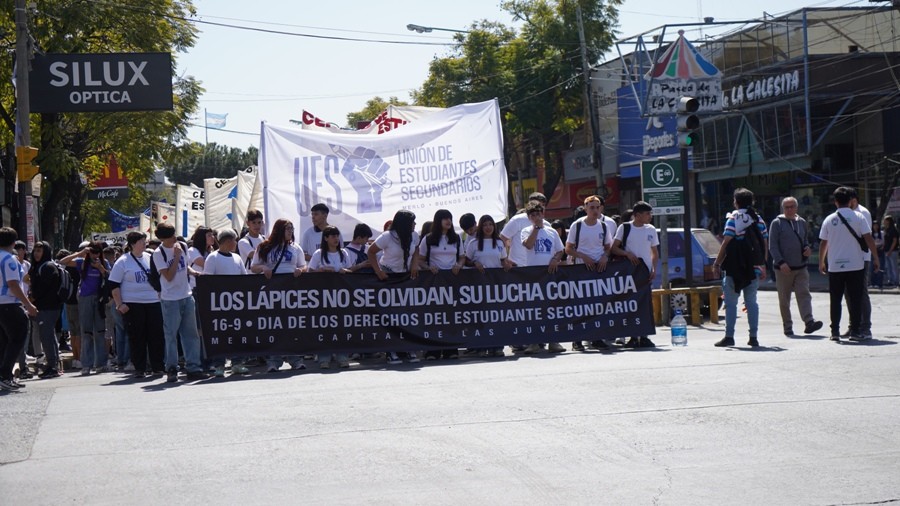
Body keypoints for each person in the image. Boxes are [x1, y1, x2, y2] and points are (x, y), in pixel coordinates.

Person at [819, 187, 880, 342]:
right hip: (856, 265)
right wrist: (876, 258)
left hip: (835, 266)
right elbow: (869, 239)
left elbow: (823, 243)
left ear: (836, 202)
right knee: (856, 298)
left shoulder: (829, 219)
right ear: (850, 200)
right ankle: (855, 331)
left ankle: (835, 332)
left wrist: (821, 262)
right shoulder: (859, 217)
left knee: (836, 299)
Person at [712, 188, 768, 348]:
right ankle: (754, 337)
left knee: (731, 303)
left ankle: (729, 336)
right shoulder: (758, 219)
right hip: (754, 267)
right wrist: (763, 264)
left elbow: (726, 242)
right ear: (752, 202)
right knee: (751, 302)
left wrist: (717, 263)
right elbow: (764, 243)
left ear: (736, 202)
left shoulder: (733, 218)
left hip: (734, 268)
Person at [152, 223, 208, 382]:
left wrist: (195, 273)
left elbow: (185, 267)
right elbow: (168, 276)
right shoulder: (159, 253)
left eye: (174, 234)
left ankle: (194, 367)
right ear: (163, 238)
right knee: (171, 335)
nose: (174, 238)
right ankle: (171, 368)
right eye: (170, 236)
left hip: (186, 295)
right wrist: (175, 256)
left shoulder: (182, 245)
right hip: (170, 299)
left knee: (191, 334)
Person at [251, 219, 307, 373]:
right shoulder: (264, 247)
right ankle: (273, 360)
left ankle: (295, 359)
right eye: (287, 228)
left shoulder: (295, 247)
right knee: (274, 325)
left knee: (291, 325)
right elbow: (253, 267)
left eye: (291, 228)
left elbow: (303, 265)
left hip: (291, 291)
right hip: (272, 291)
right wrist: (263, 267)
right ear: (279, 230)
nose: (290, 231)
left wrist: (300, 270)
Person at [108, 232, 165, 378]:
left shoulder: (149, 258)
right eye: (141, 241)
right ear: (133, 244)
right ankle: (139, 367)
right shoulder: (123, 261)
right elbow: (114, 284)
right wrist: (120, 304)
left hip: (153, 302)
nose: (144, 244)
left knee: (156, 336)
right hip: (133, 304)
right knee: (137, 337)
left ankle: (157, 366)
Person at [367, 210, 421, 365]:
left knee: (406, 315)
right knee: (390, 316)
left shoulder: (414, 235)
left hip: (405, 276)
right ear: (404, 223)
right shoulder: (387, 237)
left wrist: (415, 264)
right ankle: (391, 350)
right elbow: (371, 252)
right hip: (388, 277)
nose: (415, 224)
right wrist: (378, 272)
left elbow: (416, 249)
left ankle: (407, 348)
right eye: (412, 222)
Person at [565, 195, 617, 351]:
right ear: (585, 208)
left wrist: (604, 257)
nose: (595, 210)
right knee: (580, 305)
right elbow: (568, 248)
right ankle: (577, 339)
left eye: (597, 207)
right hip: (581, 268)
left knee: (597, 305)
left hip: (598, 270)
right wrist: (583, 257)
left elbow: (608, 247)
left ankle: (596, 337)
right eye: (592, 207)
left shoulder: (603, 226)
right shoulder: (577, 225)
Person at [768, 197, 823, 337]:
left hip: (801, 267)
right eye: (786, 207)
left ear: (797, 208)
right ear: (783, 209)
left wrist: (807, 248)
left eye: (792, 206)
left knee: (804, 294)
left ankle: (809, 321)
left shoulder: (802, 222)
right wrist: (781, 262)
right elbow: (772, 246)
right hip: (783, 269)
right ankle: (787, 326)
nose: (790, 209)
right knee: (784, 299)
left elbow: (805, 240)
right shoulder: (777, 223)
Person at [610, 201, 660, 348]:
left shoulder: (650, 229)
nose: (650, 217)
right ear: (637, 215)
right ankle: (632, 335)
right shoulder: (625, 228)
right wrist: (627, 254)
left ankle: (644, 336)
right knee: (630, 304)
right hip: (629, 272)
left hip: (645, 272)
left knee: (645, 304)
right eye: (647, 214)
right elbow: (614, 248)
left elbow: (654, 252)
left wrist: (653, 269)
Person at [418, 209, 465, 360]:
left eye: (450, 218)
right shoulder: (428, 238)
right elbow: (420, 259)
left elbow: (462, 257)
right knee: (436, 316)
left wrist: (458, 265)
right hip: (434, 282)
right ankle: (433, 350)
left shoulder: (456, 238)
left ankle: (451, 349)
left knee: (452, 315)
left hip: (452, 281)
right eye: (444, 218)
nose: (448, 221)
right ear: (438, 221)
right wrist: (427, 267)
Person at [202, 229, 250, 376]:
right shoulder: (213, 258)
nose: (236, 243)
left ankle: (237, 363)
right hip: (219, 305)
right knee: (220, 336)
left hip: (237, 304)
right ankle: (219, 365)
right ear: (228, 241)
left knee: (237, 333)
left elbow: (245, 278)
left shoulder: (237, 258)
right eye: (234, 240)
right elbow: (207, 281)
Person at [520, 201, 565, 354]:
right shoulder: (526, 230)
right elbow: (529, 245)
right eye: (533, 215)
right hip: (533, 275)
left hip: (549, 274)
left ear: (543, 214)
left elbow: (560, 250)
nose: (536, 217)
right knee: (535, 310)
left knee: (551, 308)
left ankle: (554, 341)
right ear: (529, 217)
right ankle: (534, 342)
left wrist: (555, 259)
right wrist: (536, 228)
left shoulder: (552, 232)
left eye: (538, 214)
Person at [60, 241, 110, 375]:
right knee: (86, 332)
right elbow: (62, 262)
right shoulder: (82, 262)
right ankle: (86, 364)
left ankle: (101, 363)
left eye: (97, 252)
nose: (95, 255)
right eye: (92, 252)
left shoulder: (104, 263)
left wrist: (101, 268)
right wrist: (81, 253)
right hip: (84, 298)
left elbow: (110, 278)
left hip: (99, 299)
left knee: (100, 331)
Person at [466, 214, 511, 357]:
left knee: (496, 316)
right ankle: (481, 345)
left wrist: (506, 264)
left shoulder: (499, 242)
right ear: (480, 226)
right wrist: (474, 263)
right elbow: (466, 261)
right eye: (485, 225)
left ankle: (497, 346)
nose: (488, 227)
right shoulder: (473, 243)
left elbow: (503, 259)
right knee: (481, 316)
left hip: (495, 284)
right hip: (479, 284)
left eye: (490, 224)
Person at [308, 226, 353, 369]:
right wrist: (321, 270)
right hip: (323, 295)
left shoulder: (344, 253)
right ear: (326, 238)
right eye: (332, 236)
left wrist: (343, 271)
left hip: (341, 296)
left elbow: (351, 271)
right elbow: (309, 271)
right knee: (325, 326)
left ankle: (342, 356)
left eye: (337, 236)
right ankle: (324, 357)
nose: (336, 239)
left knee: (341, 326)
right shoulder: (319, 254)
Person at [0, 228, 37, 391]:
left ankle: (3, 375)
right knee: (17, 338)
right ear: (14, 242)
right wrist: (28, 304)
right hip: (9, 303)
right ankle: (5, 375)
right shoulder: (9, 259)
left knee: (3, 341)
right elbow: (13, 284)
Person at [28, 241, 64, 378]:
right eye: (35, 251)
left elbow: (42, 289)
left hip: (48, 308)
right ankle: (54, 364)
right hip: (46, 308)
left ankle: (52, 366)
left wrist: (32, 298)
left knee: (46, 337)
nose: (36, 253)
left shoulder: (48, 267)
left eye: (40, 251)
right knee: (49, 336)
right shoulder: (40, 266)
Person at [846, 188, 873, 339]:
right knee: (849, 293)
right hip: (848, 258)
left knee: (861, 292)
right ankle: (853, 325)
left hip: (862, 257)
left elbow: (865, 236)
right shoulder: (846, 212)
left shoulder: (863, 213)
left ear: (854, 200)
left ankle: (865, 327)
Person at [501, 192, 550, 267]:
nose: (539, 208)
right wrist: (504, 259)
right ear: (529, 205)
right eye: (536, 204)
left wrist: (554, 259)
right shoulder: (517, 220)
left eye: (542, 206)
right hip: (517, 267)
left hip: (539, 268)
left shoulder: (547, 225)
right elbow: (501, 240)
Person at [883, 215, 899, 287]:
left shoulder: (893, 230)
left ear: (889, 221)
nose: (884, 222)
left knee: (893, 267)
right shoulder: (886, 229)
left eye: (885, 220)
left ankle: (896, 281)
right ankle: (891, 280)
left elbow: (895, 241)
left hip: (893, 251)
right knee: (888, 267)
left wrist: (890, 250)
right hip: (886, 250)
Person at [871, 221, 885, 288]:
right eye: (874, 225)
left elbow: (883, 242)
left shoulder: (881, 233)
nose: (875, 227)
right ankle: (872, 283)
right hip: (873, 250)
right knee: (872, 267)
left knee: (880, 267)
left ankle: (879, 283)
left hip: (880, 250)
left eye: (877, 225)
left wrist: (881, 247)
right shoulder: (871, 233)